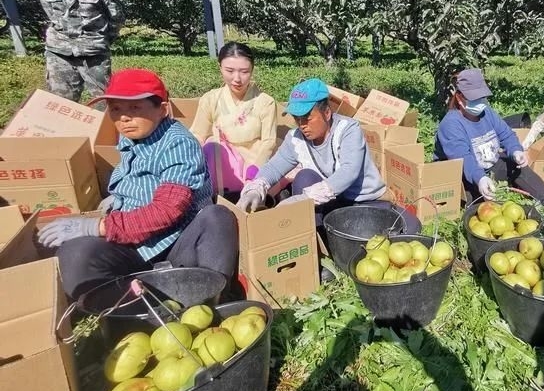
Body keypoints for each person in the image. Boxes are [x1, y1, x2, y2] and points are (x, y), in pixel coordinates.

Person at [36, 68, 239, 300]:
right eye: (115, 109)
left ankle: (210, 298)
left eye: (134, 108)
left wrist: (98, 227)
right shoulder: (132, 134)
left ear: (162, 110)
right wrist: (119, 198)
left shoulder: (179, 144)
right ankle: (125, 312)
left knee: (217, 216)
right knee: (76, 252)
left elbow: (167, 210)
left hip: (176, 246)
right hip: (136, 247)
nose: (123, 118)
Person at [237, 78, 419, 230]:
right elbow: (275, 166)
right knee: (305, 176)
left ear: (326, 112)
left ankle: (332, 236)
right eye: (297, 119)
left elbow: (349, 172)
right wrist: (256, 188)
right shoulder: (296, 138)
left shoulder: (348, 130)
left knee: (412, 227)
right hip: (330, 204)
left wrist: (304, 198)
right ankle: (316, 241)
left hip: (364, 202)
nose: (302, 125)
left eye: (307, 118)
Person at [433, 68, 544, 207]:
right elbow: (462, 159)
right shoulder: (451, 124)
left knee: (515, 165)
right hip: (465, 175)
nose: (480, 102)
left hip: (489, 166)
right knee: (475, 199)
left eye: (482, 97)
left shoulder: (487, 113)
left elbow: (506, 134)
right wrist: (480, 178)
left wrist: (515, 150)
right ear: (459, 98)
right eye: (474, 99)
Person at [36, 0, 124, 103]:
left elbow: (116, 17)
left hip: (93, 51)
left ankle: (103, 129)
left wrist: (102, 39)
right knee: (61, 103)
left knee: (103, 101)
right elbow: (52, 15)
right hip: (59, 50)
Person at [189, 42, 278, 196]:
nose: (237, 79)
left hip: (255, 161)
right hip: (222, 163)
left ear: (252, 70)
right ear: (220, 68)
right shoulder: (211, 99)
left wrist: (254, 170)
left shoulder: (265, 102)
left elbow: (269, 142)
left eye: (244, 72)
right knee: (211, 146)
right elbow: (198, 134)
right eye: (229, 71)